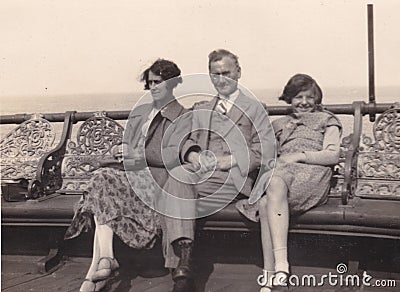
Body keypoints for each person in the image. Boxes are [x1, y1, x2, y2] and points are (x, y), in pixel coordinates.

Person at [64, 59, 191, 292]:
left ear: (172, 83)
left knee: (100, 191)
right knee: (102, 182)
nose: (153, 87)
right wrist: (118, 152)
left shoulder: (182, 116)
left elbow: (173, 157)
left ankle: (94, 275)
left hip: (157, 184)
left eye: (159, 82)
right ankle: (105, 259)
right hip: (132, 180)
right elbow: (130, 149)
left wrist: (136, 154)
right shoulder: (143, 113)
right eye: (150, 82)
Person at [161, 49, 275, 292]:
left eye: (226, 73)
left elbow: (263, 152)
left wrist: (228, 160)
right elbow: (182, 139)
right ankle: (183, 267)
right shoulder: (202, 107)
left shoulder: (255, 108)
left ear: (238, 73)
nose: (221, 79)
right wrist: (193, 154)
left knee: (173, 196)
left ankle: (180, 271)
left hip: (233, 178)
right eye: (215, 74)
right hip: (201, 175)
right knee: (177, 177)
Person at [237, 74, 342, 291]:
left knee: (273, 188)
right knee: (266, 201)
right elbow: (263, 153)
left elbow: (332, 156)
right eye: (298, 97)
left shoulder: (328, 120)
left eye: (309, 97)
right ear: (289, 99)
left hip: (312, 174)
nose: (304, 102)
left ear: (317, 99)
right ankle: (273, 274)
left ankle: (277, 268)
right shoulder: (279, 125)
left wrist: (300, 155)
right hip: (283, 177)